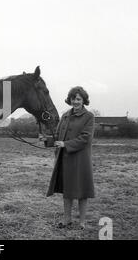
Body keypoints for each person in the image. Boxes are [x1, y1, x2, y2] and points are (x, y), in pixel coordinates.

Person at [46, 86, 95, 230]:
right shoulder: (65, 115)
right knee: (67, 191)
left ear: (84, 100)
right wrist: (47, 140)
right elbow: (58, 136)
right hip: (65, 159)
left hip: (80, 160)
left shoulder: (89, 117)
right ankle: (67, 220)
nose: (76, 102)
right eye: (73, 99)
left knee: (81, 191)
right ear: (70, 100)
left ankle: (82, 222)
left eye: (79, 99)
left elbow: (86, 138)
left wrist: (65, 144)